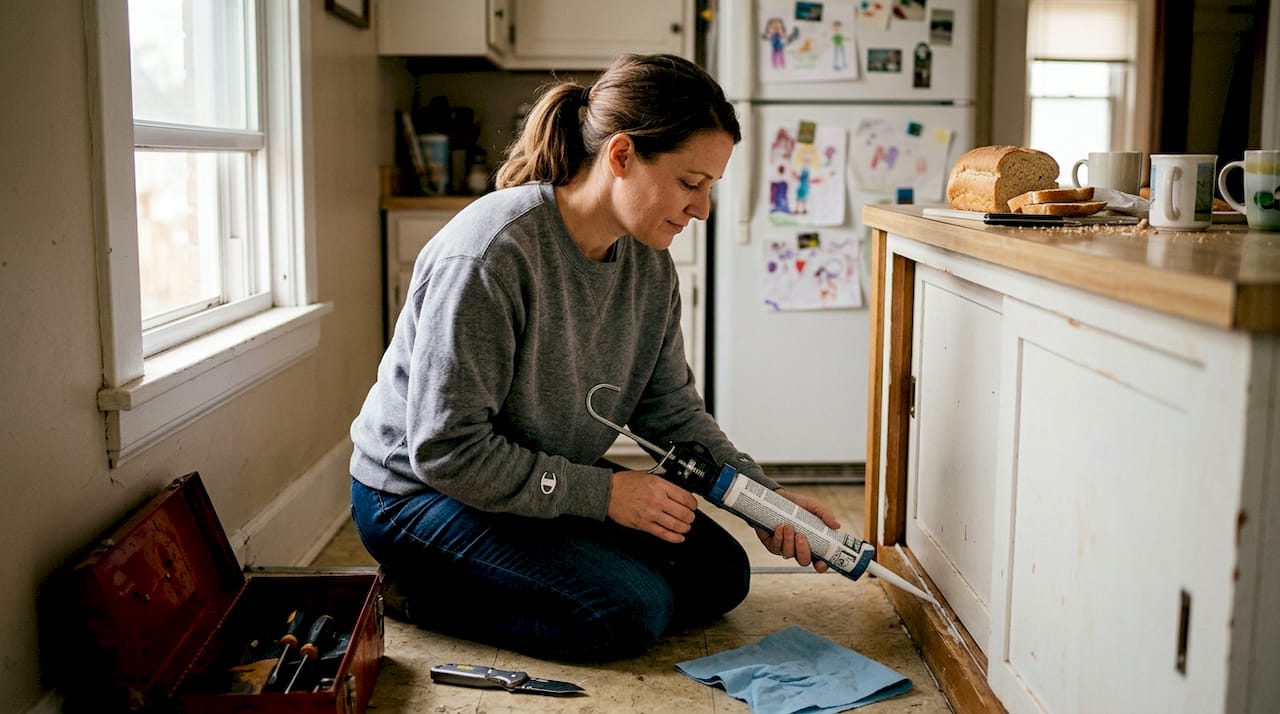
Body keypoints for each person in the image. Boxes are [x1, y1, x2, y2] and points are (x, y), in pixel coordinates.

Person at [349, 53, 841, 662]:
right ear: (621, 156)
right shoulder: (489, 256)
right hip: (417, 495)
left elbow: (671, 416)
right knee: (627, 612)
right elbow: (446, 451)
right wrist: (605, 497)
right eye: (691, 183)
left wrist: (767, 503)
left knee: (720, 573)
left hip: (532, 473)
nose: (703, 209)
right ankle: (415, 593)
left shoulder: (649, 266)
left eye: (710, 187)